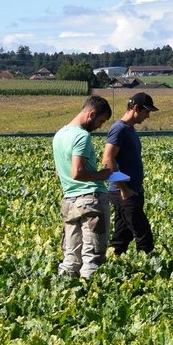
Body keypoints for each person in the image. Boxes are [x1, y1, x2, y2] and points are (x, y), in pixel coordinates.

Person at [52, 95, 116, 278]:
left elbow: (59, 172)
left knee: (71, 258)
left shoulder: (59, 135)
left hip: (69, 202)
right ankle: (91, 292)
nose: (99, 126)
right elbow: (77, 172)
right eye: (100, 121)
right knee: (92, 257)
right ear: (91, 114)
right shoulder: (82, 136)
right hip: (91, 201)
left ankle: (64, 288)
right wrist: (102, 175)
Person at [103, 91, 158, 256]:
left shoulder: (128, 129)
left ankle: (113, 263)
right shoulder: (119, 129)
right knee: (144, 236)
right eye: (146, 111)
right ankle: (149, 266)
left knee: (122, 237)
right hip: (123, 193)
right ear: (136, 108)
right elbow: (107, 160)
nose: (147, 116)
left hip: (130, 191)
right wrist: (124, 189)